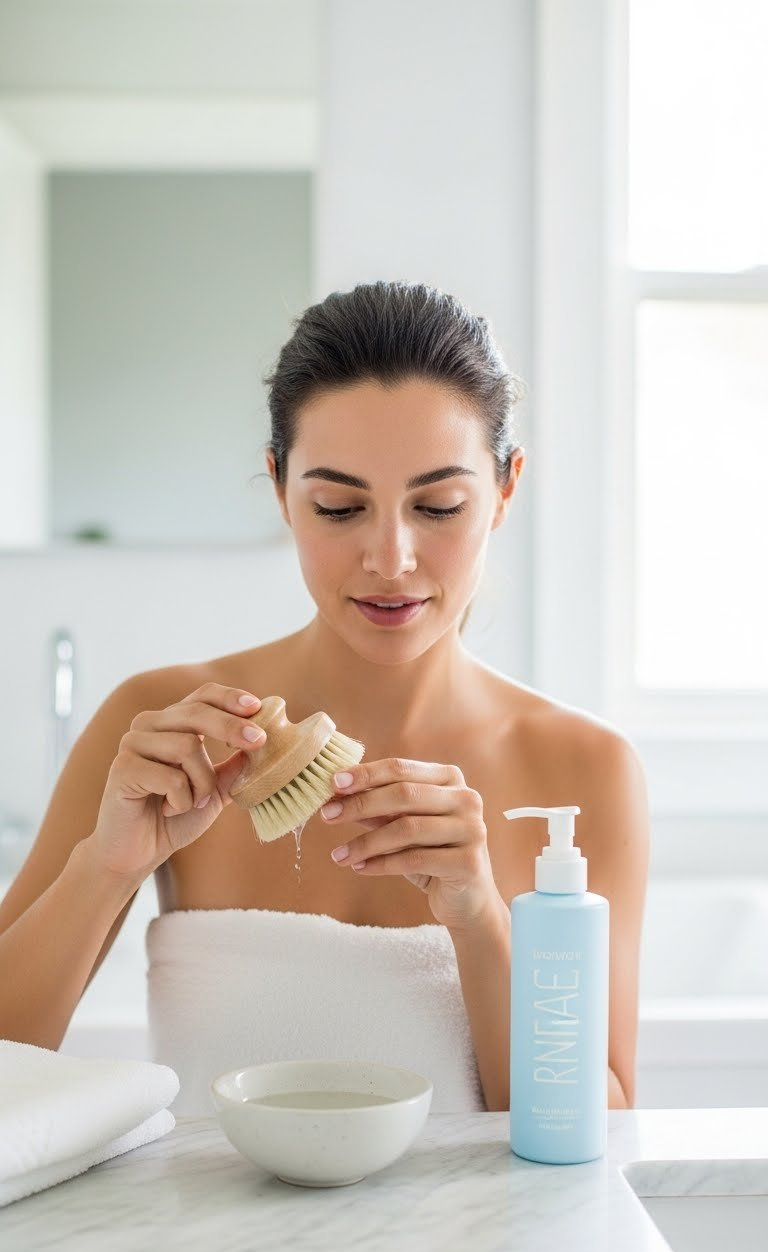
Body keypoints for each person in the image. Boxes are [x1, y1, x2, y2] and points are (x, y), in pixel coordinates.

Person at [0, 281, 649, 1112]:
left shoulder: (583, 768)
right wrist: (107, 868)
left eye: (439, 505)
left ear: (505, 490)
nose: (390, 557)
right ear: (280, 488)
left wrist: (482, 921)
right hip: (208, 1247)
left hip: (485, 1248)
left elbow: (602, 1126)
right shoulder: (159, 734)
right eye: (339, 507)